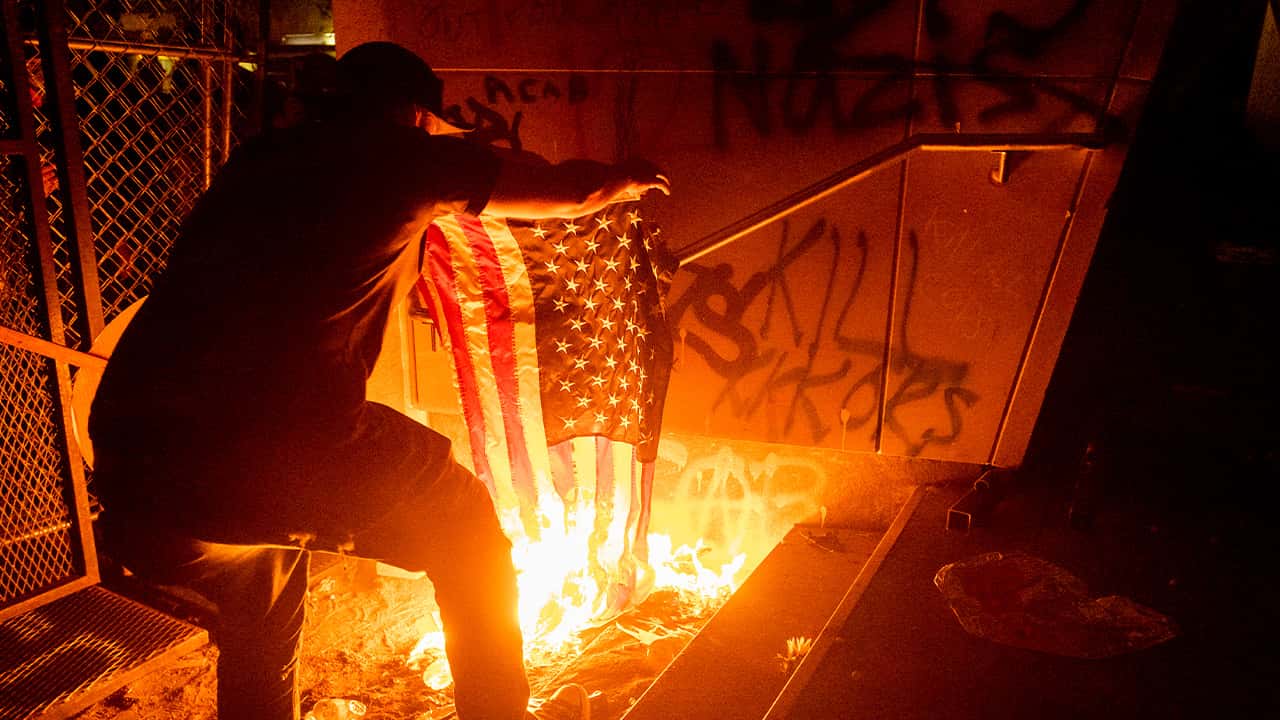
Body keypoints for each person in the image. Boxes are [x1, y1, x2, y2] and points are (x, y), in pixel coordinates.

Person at [88, 41, 669, 720]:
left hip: (139, 469)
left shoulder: (261, 159)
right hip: (280, 440)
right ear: (416, 114)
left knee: (262, 590)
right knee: (470, 535)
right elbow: (574, 193)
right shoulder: (402, 157)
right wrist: (629, 178)